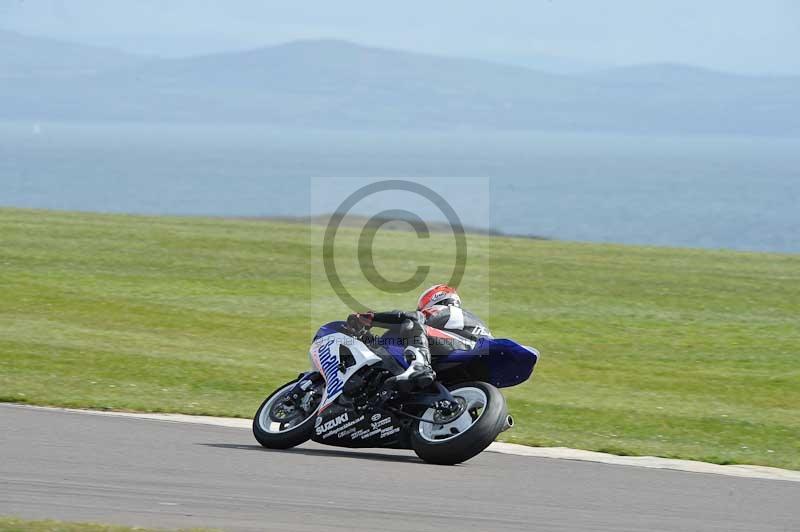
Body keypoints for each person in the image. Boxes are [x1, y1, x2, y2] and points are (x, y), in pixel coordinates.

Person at [346, 284, 492, 389]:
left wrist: (370, 318)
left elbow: (412, 317)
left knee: (411, 323)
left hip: (464, 347)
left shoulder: (442, 309)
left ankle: (420, 366)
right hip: (479, 361)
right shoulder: (466, 319)